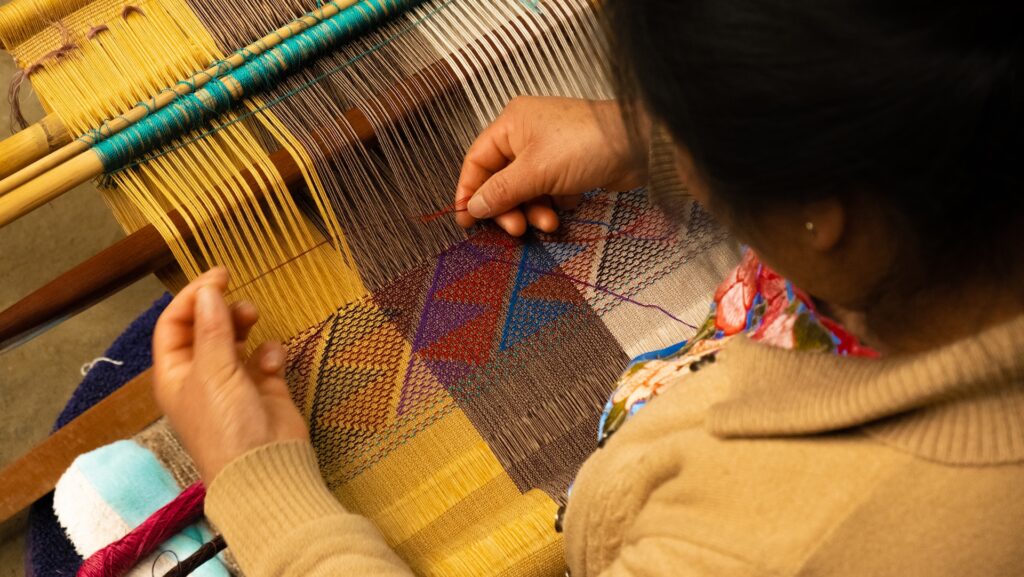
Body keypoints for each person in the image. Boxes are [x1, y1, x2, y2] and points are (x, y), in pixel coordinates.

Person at [152, 1, 1024, 575]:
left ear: (821, 205)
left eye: (673, 114)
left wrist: (262, 485)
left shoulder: (768, 544)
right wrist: (640, 139)